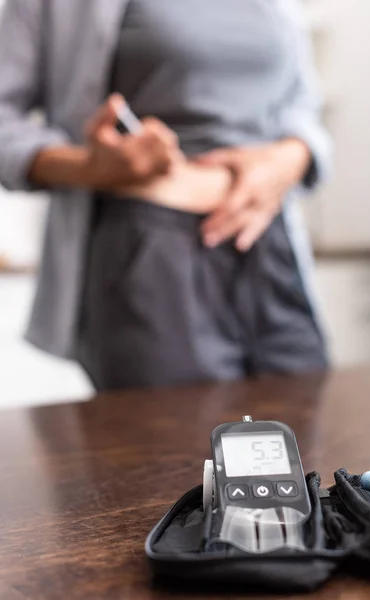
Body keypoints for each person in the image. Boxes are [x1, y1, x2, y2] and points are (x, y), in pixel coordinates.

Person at [0, 0, 330, 390]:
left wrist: (292, 156)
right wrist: (89, 167)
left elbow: (301, 104)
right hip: (150, 256)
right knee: (181, 442)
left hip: (270, 243)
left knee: (309, 432)